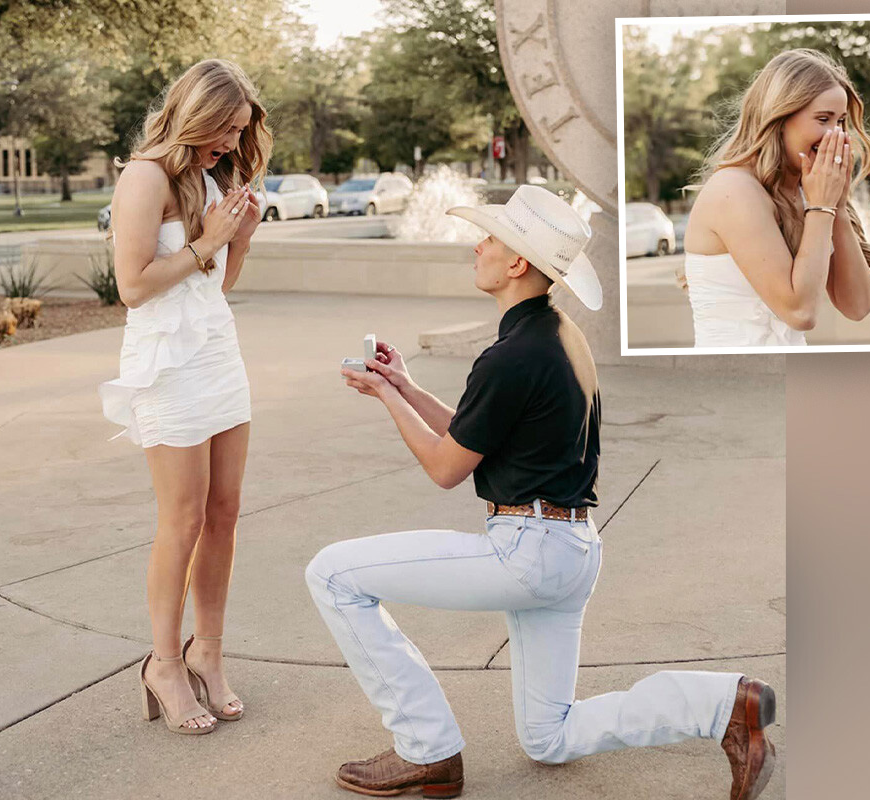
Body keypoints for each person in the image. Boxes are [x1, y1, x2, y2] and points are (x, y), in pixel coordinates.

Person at [306, 185, 776, 798]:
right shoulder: (557, 336)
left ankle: (427, 750)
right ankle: (725, 704)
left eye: (490, 239)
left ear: (516, 263)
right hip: (569, 549)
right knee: (547, 738)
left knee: (332, 575)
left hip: (526, 551)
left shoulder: (513, 356)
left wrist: (386, 398)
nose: (478, 247)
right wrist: (407, 384)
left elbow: (446, 468)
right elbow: (479, 434)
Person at [99, 58, 272, 735]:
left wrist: (241, 240)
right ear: (194, 113)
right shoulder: (144, 176)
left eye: (238, 131)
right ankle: (164, 663)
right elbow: (135, 287)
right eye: (224, 128)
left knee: (225, 512)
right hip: (166, 368)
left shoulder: (210, 176)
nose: (230, 143)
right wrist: (208, 241)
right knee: (184, 518)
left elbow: (208, 290)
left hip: (217, 355)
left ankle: (210, 653)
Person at [682, 48, 870, 347]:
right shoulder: (734, 190)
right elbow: (800, 312)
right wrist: (821, 207)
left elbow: (857, 306)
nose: (837, 135)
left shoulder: (808, 191)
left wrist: (838, 206)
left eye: (841, 121)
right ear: (779, 117)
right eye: (823, 119)